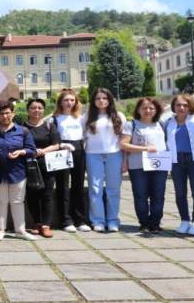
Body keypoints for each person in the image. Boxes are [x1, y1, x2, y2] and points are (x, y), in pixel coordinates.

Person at [0, 100, 37, 241]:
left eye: (8, 113)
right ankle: (0, 230)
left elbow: (32, 150)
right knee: (0, 201)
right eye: (1, 114)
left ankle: (20, 230)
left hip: (18, 171)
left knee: (17, 201)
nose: (5, 116)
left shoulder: (23, 131)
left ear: (13, 113)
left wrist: (21, 152)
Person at [120, 98, 168, 234]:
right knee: (140, 195)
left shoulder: (161, 124)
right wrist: (144, 149)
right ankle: (144, 223)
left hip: (159, 164)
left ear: (156, 110)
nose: (148, 111)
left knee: (158, 195)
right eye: (144, 108)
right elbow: (123, 144)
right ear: (138, 110)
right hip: (138, 165)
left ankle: (155, 223)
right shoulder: (132, 125)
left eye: (151, 108)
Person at [83, 88, 126, 233]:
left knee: (113, 189)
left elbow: (124, 138)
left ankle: (113, 220)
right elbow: (82, 136)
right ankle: (98, 220)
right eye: (98, 98)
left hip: (114, 154)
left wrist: (125, 159)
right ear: (93, 101)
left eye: (104, 98)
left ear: (110, 100)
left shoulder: (118, 115)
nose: (101, 101)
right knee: (95, 189)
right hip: (93, 155)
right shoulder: (87, 116)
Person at [166, 94, 194, 235]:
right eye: (178, 105)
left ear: (190, 106)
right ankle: (184, 220)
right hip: (177, 161)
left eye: (185, 105)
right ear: (173, 107)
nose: (181, 108)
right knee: (180, 192)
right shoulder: (169, 122)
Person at [52, 89, 90, 232]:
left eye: (72, 100)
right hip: (62, 150)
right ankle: (66, 220)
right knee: (62, 186)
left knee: (78, 185)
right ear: (61, 102)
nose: (69, 103)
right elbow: (54, 138)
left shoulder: (80, 118)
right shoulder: (54, 118)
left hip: (79, 149)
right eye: (66, 100)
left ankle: (80, 220)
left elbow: (86, 134)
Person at [23, 98, 62, 238]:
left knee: (47, 194)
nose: (36, 110)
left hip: (47, 164)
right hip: (29, 165)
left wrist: (43, 151)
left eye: (39, 108)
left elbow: (57, 144)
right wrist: (31, 150)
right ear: (28, 110)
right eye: (33, 108)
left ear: (43, 110)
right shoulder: (22, 127)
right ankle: (37, 223)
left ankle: (46, 225)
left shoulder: (49, 126)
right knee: (32, 194)